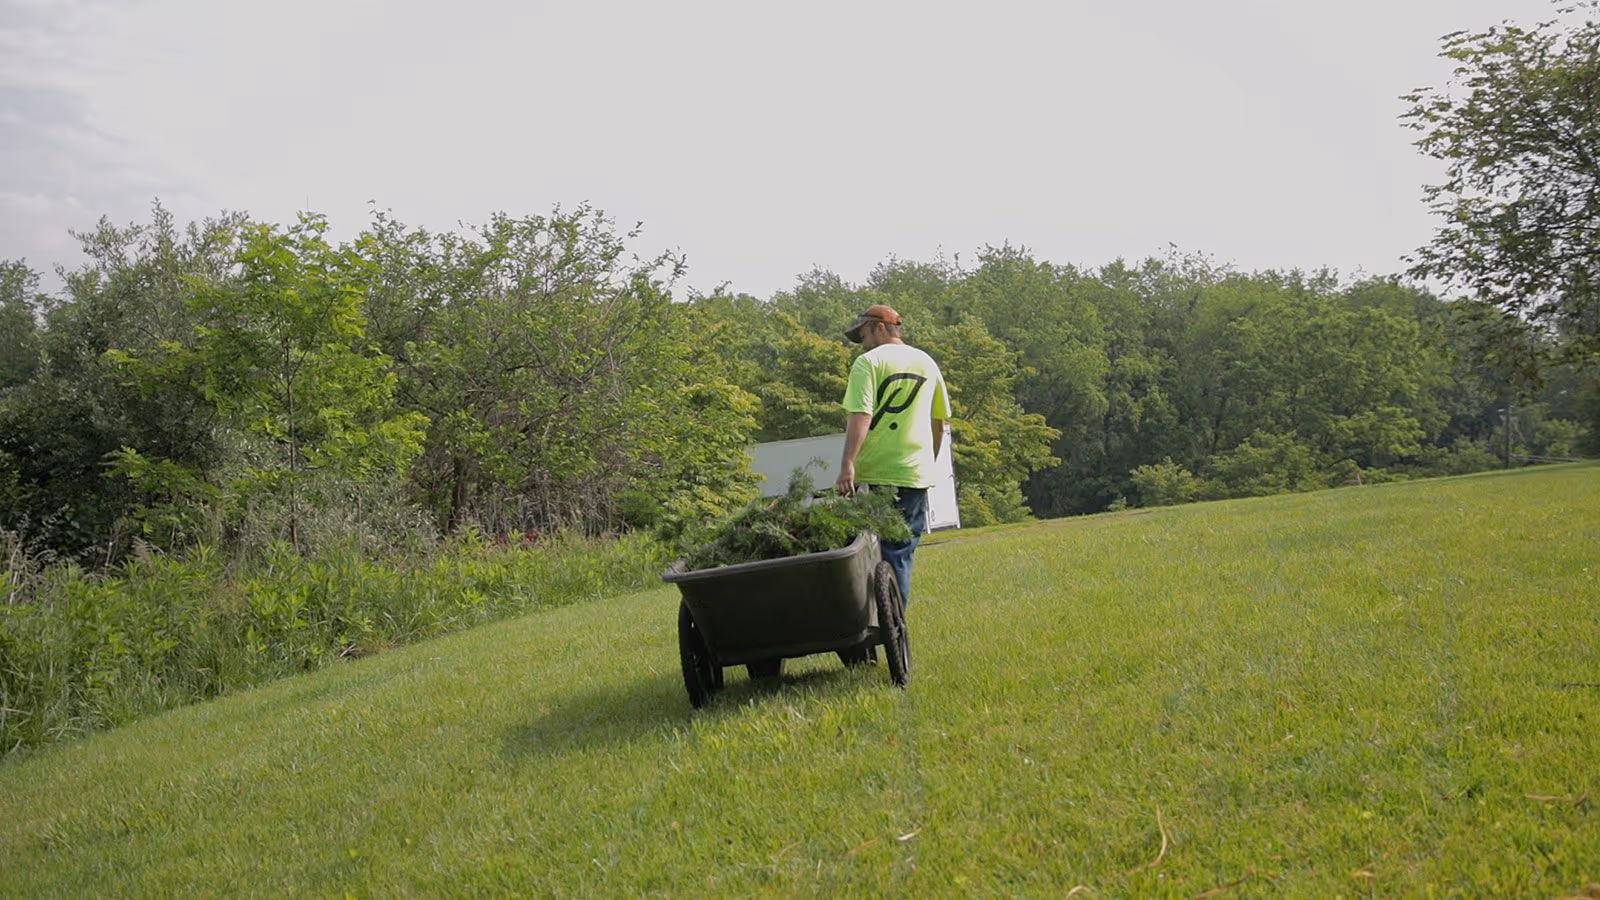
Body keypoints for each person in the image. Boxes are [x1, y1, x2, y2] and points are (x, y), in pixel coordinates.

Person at [835, 304, 952, 608]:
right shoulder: (927, 363)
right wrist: (929, 461)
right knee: (898, 555)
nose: (862, 343)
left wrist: (847, 463)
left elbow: (861, 414)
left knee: (859, 552)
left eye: (863, 335)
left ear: (878, 328)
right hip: (914, 475)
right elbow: (939, 421)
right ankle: (895, 630)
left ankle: (865, 628)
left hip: (874, 474)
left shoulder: (868, 363)